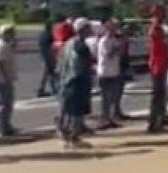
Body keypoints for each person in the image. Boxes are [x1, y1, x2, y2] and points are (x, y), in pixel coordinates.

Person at [57, 18, 94, 148]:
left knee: (68, 111)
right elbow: (82, 65)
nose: (91, 30)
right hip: (77, 81)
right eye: (88, 28)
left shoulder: (68, 43)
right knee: (77, 112)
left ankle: (67, 136)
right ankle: (74, 138)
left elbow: (60, 63)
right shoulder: (80, 46)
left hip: (66, 80)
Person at [147, 6, 168, 133]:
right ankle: (153, 121)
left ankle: (160, 119)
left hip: (161, 63)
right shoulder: (155, 28)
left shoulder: (159, 28)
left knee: (161, 94)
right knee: (157, 94)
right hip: (157, 64)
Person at [96, 19, 122, 130]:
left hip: (114, 71)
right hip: (105, 72)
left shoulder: (114, 40)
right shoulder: (104, 41)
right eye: (112, 28)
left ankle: (110, 118)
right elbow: (109, 54)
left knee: (113, 97)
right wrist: (117, 48)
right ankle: (104, 119)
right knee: (105, 98)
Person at [37, 20, 58, 97]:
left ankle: (43, 89)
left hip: (43, 55)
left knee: (47, 74)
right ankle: (52, 89)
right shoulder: (50, 35)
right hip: (49, 56)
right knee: (51, 73)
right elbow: (52, 46)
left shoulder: (42, 35)